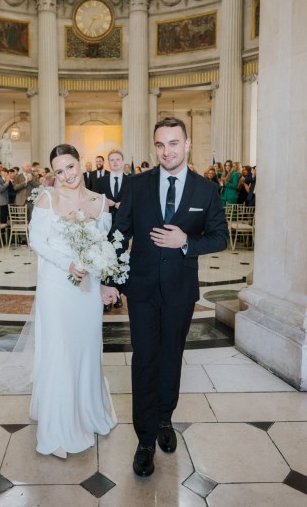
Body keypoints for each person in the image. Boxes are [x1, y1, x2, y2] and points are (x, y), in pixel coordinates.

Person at [108, 117, 228, 477]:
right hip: (142, 289)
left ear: (187, 144)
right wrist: (108, 279)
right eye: (160, 145)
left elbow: (220, 236)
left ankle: (164, 419)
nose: (166, 151)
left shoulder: (205, 190)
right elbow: (119, 233)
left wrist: (186, 242)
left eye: (174, 143)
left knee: (171, 356)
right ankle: (145, 439)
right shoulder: (137, 185)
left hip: (180, 290)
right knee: (145, 359)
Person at [28, 143, 117, 458]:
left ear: (81, 163)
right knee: (60, 348)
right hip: (56, 284)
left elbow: (105, 244)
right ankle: (59, 422)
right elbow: (36, 239)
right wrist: (67, 264)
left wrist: (101, 276)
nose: (66, 175)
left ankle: (87, 411)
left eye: (70, 166)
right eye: (59, 171)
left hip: (87, 290)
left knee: (86, 346)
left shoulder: (99, 201)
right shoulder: (46, 199)